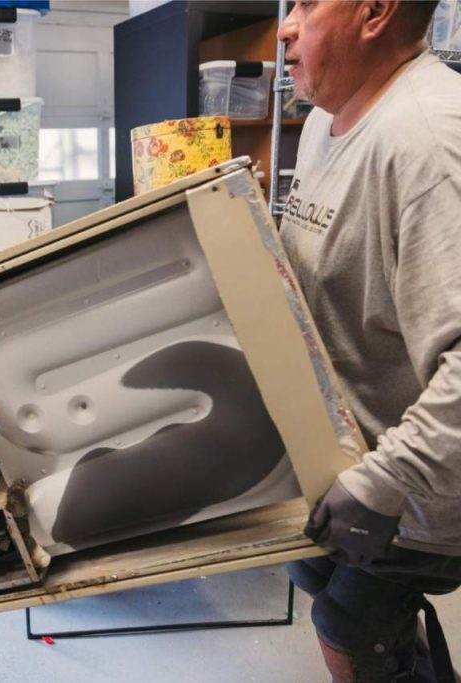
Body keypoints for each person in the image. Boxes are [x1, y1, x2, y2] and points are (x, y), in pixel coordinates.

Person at [277, 2, 461, 681]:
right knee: (314, 578)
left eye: (307, 4)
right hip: (344, 457)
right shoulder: (323, 121)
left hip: (418, 482)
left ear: (375, 12)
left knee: (351, 631)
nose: (285, 26)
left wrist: (386, 480)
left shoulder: (430, 143)